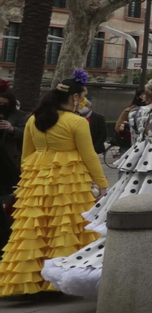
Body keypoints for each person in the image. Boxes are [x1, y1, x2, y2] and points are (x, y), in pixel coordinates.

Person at [42, 66, 152, 297]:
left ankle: (119, 269)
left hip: (137, 172)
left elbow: (136, 143)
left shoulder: (136, 113)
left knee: (131, 222)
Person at [0, 70, 106, 295]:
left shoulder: (33, 119)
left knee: (33, 229)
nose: (85, 100)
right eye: (84, 96)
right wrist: (103, 184)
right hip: (70, 180)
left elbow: (26, 155)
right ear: (75, 98)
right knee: (66, 227)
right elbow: (89, 156)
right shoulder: (77, 122)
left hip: (37, 179)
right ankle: (63, 279)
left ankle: (31, 280)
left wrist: (31, 176)